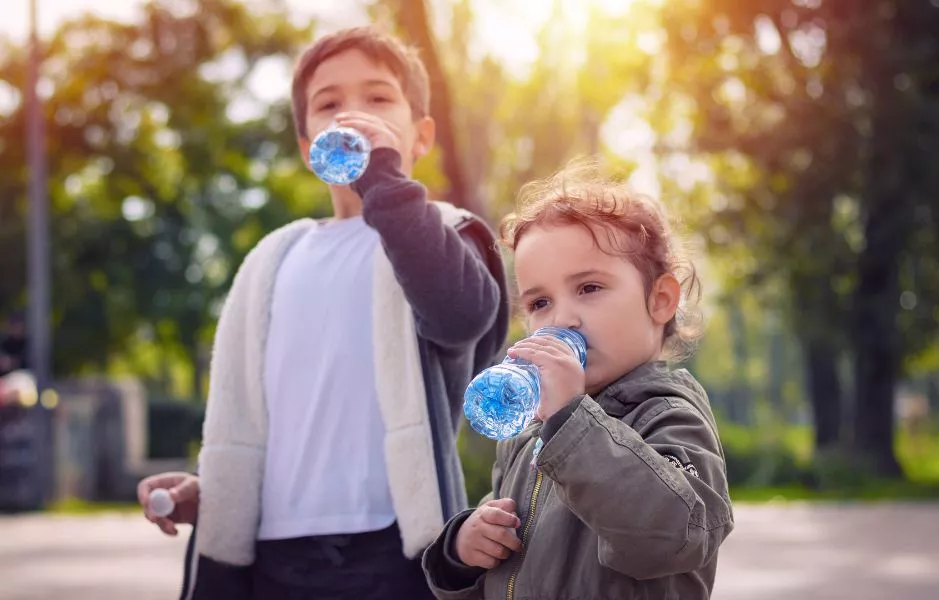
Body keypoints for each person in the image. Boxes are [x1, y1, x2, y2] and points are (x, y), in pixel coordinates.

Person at [137, 25, 508, 600]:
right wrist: (212, 493)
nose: (353, 114)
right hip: (271, 557)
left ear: (421, 135)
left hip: (394, 551)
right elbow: (273, 422)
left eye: (378, 98)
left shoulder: (442, 234)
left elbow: (462, 314)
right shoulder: (272, 262)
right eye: (329, 103)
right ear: (309, 147)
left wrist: (384, 176)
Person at [422, 160, 734, 599]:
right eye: (540, 302)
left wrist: (571, 422)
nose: (562, 319)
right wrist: (462, 554)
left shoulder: (667, 412)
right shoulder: (530, 430)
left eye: (589, 288)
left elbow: (676, 535)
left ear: (660, 300)